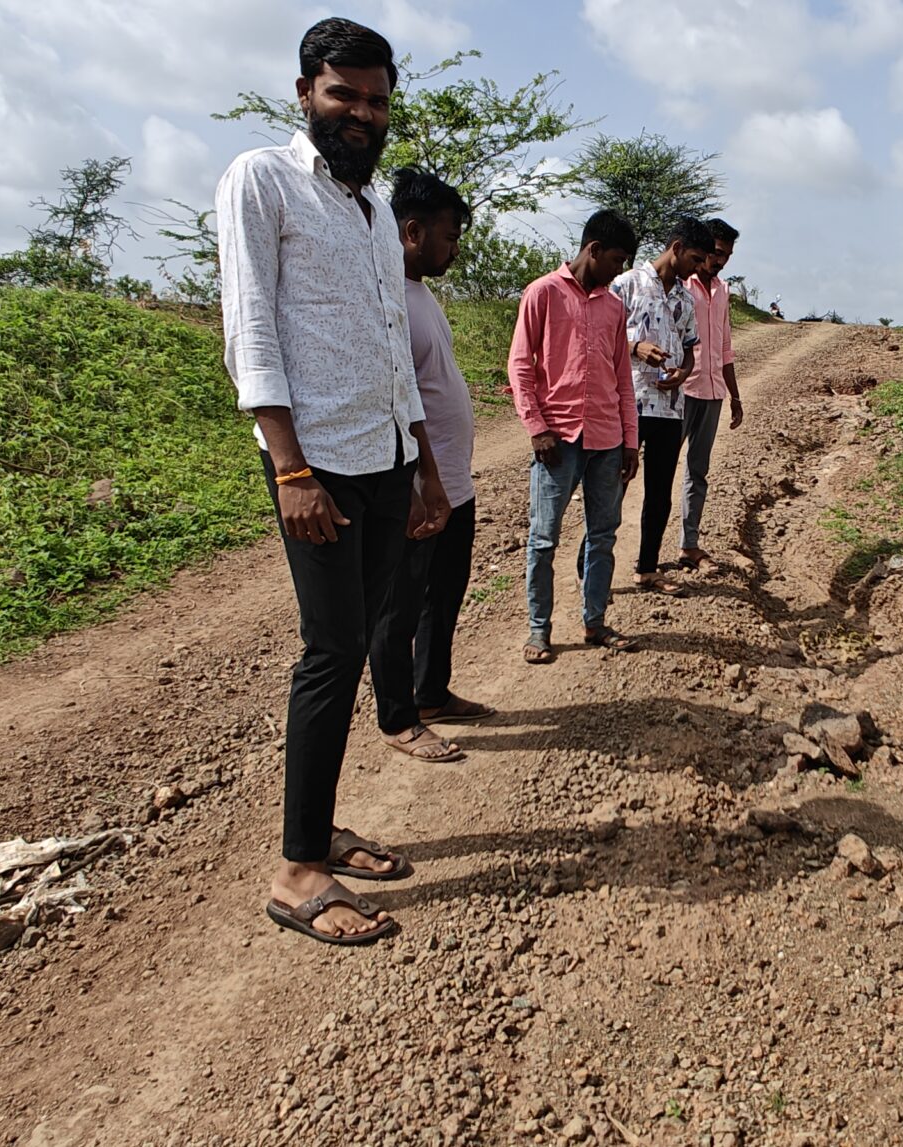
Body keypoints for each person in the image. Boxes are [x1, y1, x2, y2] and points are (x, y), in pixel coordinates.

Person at [219, 17, 450, 946]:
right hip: (317, 466)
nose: (361, 113)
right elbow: (251, 330)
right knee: (330, 652)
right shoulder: (262, 180)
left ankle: (318, 833)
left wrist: (422, 464)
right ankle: (296, 873)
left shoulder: (373, 209)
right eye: (343, 94)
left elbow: (393, 348)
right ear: (305, 93)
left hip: (385, 458)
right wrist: (290, 467)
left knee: (361, 639)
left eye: (376, 100)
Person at [367, 167, 493, 764]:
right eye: (450, 237)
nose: (455, 249)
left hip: (453, 481)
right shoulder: (385, 297)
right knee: (400, 604)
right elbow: (392, 397)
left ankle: (432, 693)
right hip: (418, 481)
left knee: (444, 594)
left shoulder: (421, 293)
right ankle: (398, 717)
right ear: (412, 231)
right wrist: (419, 480)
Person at [510, 210, 641, 663]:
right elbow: (521, 366)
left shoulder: (614, 307)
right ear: (594, 250)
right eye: (617, 260)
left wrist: (630, 441)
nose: (619, 271)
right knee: (544, 539)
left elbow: (622, 379)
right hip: (557, 442)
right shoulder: (542, 293)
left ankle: (595, 622)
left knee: (603, 535)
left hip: (607, 440)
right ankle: (539, 630)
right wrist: (536, 428)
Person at [618, 216, 713, 594]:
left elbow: (690, 349)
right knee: (613, 488)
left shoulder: (686, 299)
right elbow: (600, 335)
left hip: (671, 408)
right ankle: (588, 569)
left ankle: (648, 568)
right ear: (676, 248)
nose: (698, 267)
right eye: (694, 258)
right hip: (630, 404)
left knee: (659, 493)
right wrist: (635, 347)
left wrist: (684, 373)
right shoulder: (627, 284)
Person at [677, 217, 744, 570]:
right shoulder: (679, 286)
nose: (720, 261)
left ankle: (689, 544)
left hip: (713, 391)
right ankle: (643, 553)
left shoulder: (723, 291)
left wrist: (735, 396)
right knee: (657, 472)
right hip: (680, 392)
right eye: (717, 252)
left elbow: (725, 346)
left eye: (726, 256)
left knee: (698, 471)